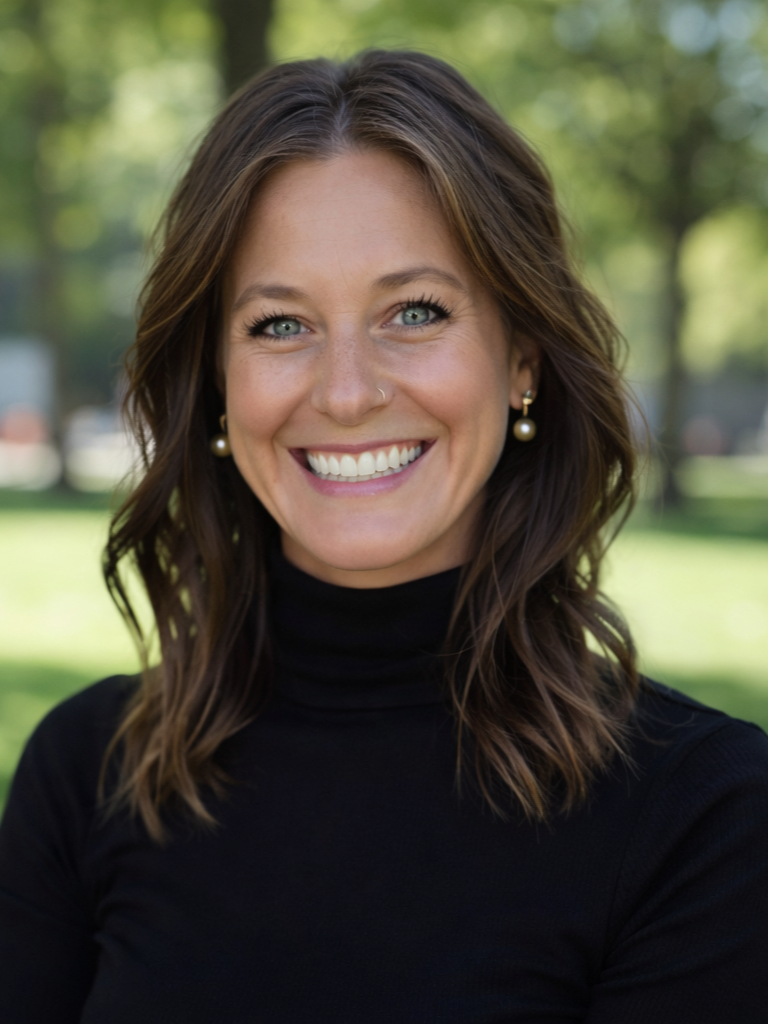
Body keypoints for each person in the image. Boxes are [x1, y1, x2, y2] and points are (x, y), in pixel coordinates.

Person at [1, 50, 766, 1024]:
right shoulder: (88, 773)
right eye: (280, 325)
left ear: (522, 360)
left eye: (414, 312)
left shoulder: (701, 812)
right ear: (218, 382)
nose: (348, 392)